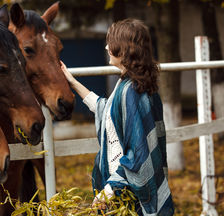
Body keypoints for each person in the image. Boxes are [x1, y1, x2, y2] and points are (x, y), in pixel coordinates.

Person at [61, 18, 174, 215]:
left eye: (110, 43)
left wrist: (110, 189)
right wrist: (72, 81)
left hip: (128, 193)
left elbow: (138, 153)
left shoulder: (132, 91)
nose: (106, 47)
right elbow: (106, 111)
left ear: (124, 49)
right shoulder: (129, 84)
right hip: (123, 189)